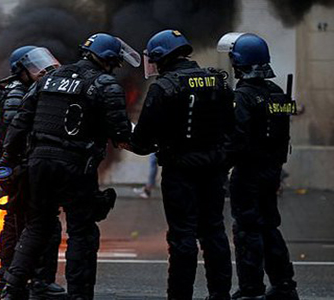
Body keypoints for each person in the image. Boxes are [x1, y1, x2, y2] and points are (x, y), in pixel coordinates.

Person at [0, 33, 141, 300]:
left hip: (39, 165)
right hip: (76, 167)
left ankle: (11, 289)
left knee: (36, 227)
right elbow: (121, 132)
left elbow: (20, 124)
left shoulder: (49, 78)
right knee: (81, 232)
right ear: (108, 59)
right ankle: (79, 295)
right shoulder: (105, 84)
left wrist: (6, 160)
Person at [127, 29, 234, 300]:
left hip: (180, 172)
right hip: (214, 171)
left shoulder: (164, 87)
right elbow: (232, 129)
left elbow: (142, 142)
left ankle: (180, 295)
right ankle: (220, 294)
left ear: (162, 57)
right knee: (214, 231)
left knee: (182, 236)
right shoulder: (218, 81)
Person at [217, 32, 299, 300]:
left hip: (248, 173)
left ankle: (251, 289)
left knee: (247, 230)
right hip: (271, 170)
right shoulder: (277, 94)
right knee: (269, 227)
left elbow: (235, 140)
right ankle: (284, 285)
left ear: (240, 63)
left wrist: (218, 169)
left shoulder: (242, 96)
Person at [0, 46, 65, 300]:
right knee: (33, 225)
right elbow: (16, 132)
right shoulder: (16, 94)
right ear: (20, 70)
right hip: (22, 168)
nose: (41, 69)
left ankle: (17, 278)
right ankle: (31, 280)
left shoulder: (25, 89)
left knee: (21, 224)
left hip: (23, 167)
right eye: (34, 65)